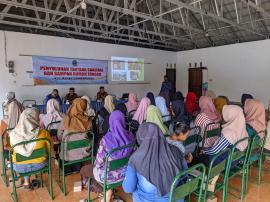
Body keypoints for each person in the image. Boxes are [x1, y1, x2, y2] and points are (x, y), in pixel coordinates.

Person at [80, 110, 135, 202]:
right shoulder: (131, 136)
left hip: (106, 177)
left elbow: (98, 163)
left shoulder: (106, 140)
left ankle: (105, 190)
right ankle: (108, 191)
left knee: (84, 170)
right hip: (125, 174)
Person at [123, 122, 184, 202]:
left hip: (146, 200)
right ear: (160, 135)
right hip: (174, 198)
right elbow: (184, 175)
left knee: (135, 189)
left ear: (139, 137)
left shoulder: (135, 159)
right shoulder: (176, 151)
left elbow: (128, 188)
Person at [10, 108, 52, 189]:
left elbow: (12, 150)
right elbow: (49, 149)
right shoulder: (44, 133)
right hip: (40, 164)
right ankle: (27, 180)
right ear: (34, 119)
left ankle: (26, 181)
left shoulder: (13, 135)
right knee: (32, 159)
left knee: (24, 160)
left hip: (19, 167)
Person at [57, 98, 92, 172]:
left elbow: (59, 136)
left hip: (66, 155)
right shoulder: (88, 120)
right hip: (84, 153)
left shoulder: (66, 119)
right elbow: (90, 136)